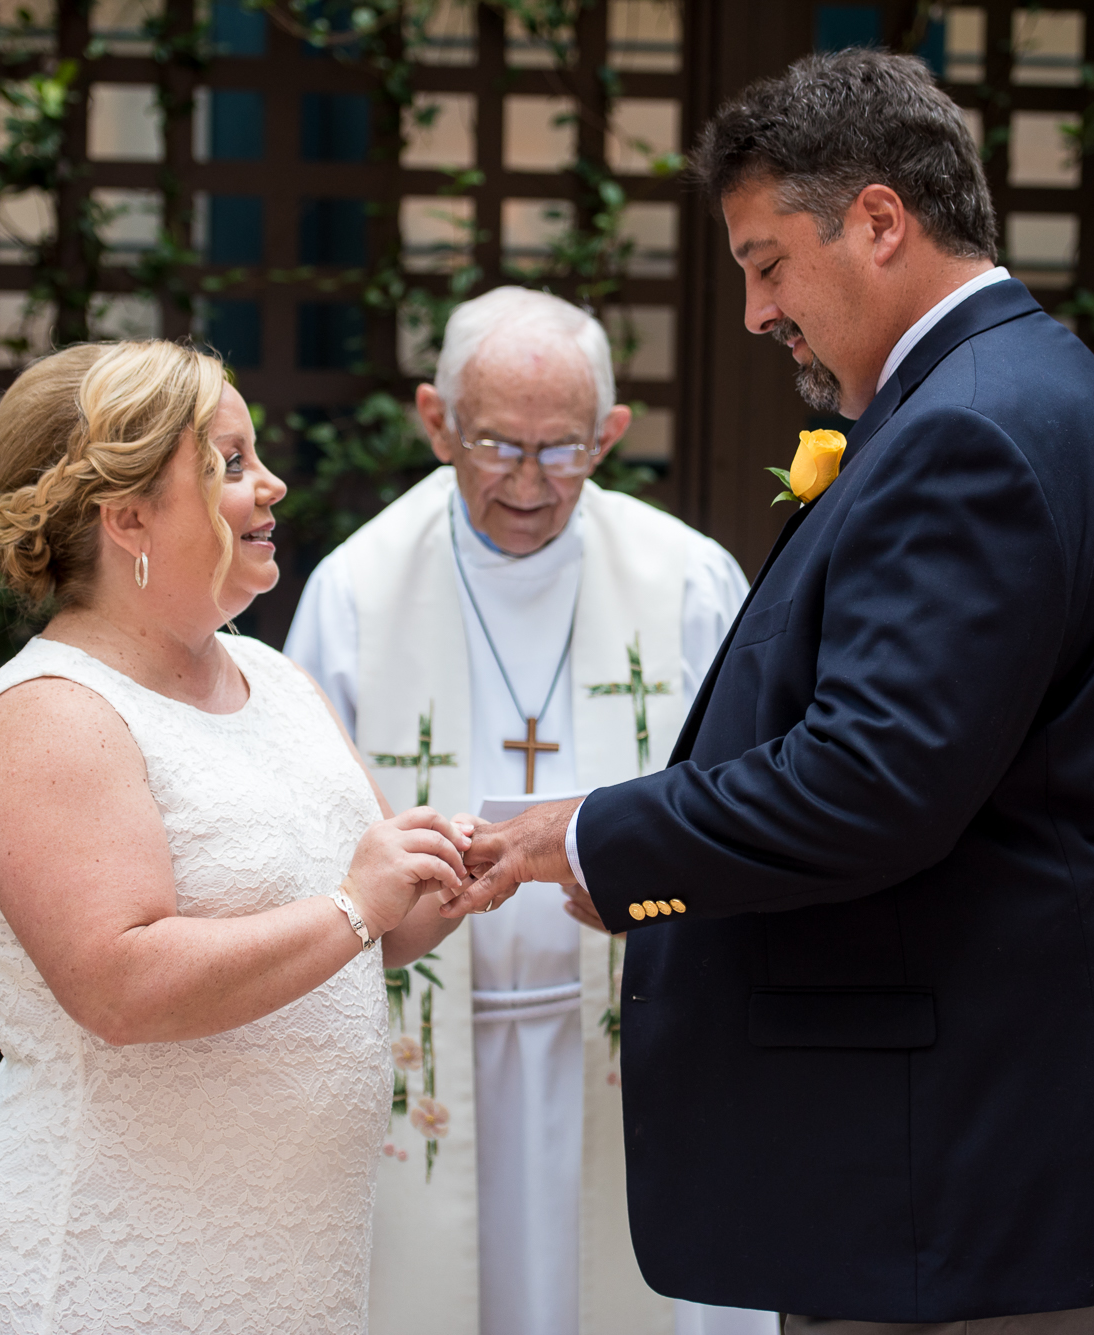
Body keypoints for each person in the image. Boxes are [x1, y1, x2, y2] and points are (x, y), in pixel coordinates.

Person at [452, 50, 1094, 1334]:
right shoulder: (1017, 390)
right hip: (1014, 1150)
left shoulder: (965, 431)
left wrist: (590, 836)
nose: (754, 313)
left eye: (763, 264)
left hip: (1000, 1175)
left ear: (876, 220)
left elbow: (869, 784)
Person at [0, 339, 474, 1334]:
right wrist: (357, 906)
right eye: (227, 463)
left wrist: (438, 880)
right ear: (126, 514)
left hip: (284, 1267)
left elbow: (357, 940)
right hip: (104, 1263)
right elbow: (119, 985)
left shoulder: (275, 679)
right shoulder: (54, 715)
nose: (271, 484)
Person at [284, 286, 772, 1335]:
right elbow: (304, 827)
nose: (530, 483)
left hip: (633, 1044)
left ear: (610, 434)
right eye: (498, 445)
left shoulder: (687, 580)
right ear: (434, 422)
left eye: (563, 451)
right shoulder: (356, 591)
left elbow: (750, 804)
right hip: (427, 1063)